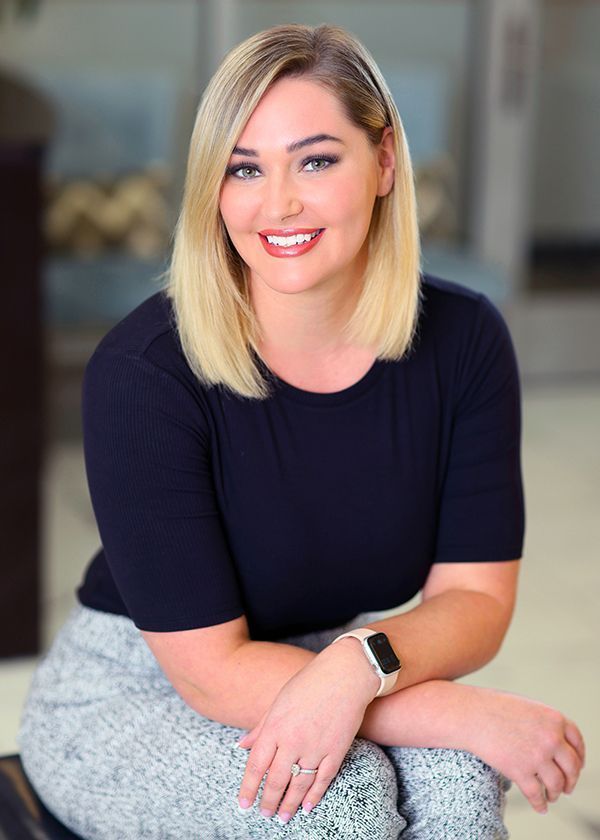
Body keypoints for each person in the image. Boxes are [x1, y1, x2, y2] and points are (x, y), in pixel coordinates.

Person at [18, 23, 584, 840]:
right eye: (244, 168)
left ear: (385, 161)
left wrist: (356, 668)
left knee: (458, 792)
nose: (278, 202)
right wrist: (451, 709)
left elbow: (475, 599)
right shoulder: (145, 373)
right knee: (341, 806)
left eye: (316, 160)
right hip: (137, 685)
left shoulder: (463, 342)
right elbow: (212, 676)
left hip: (335, 653)